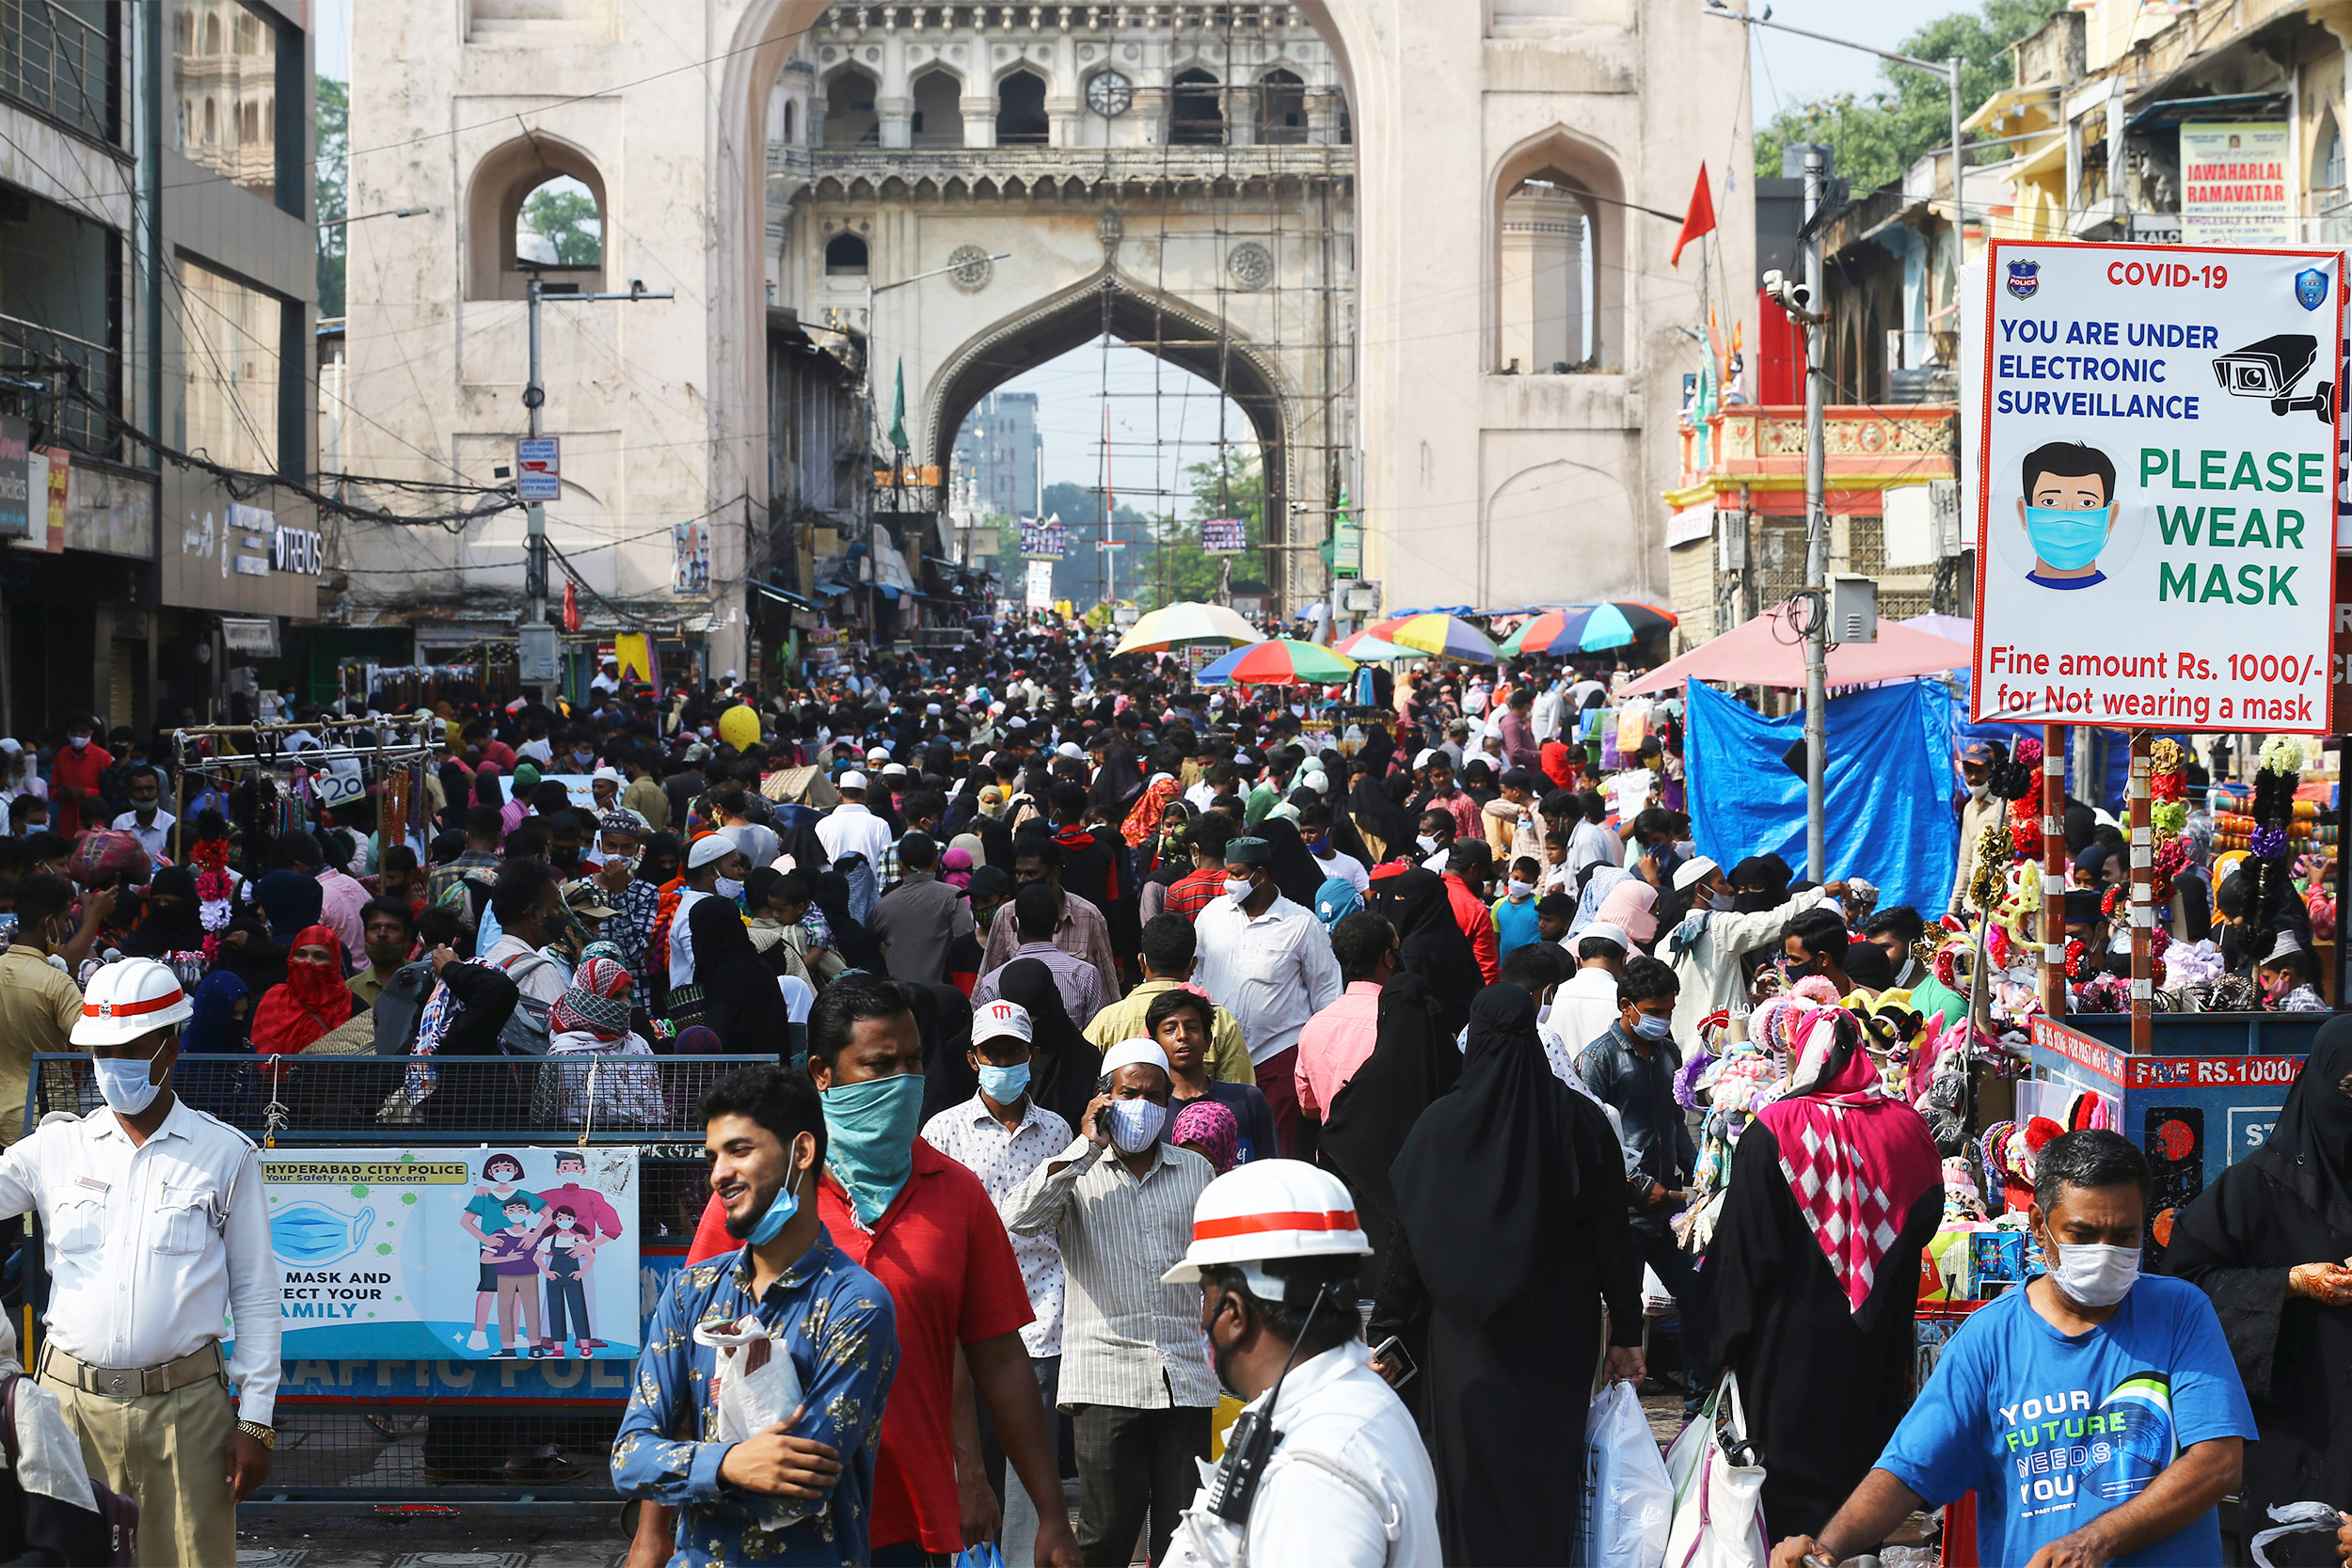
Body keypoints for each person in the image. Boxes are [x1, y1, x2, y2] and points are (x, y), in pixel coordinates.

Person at [663, 977, 1084, 1566]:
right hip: (765, 1522)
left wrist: (1051, 1516)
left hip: (909, 1525)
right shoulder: (759, 1193)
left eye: (914, 1062)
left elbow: (1000, 1359)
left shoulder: (957, 1196)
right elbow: (687, 1361)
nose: (904, 1081)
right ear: (822, 1074)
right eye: (880, 1065)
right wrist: (653, 1533)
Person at [1773, 1130, 2255, 1568]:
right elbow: (1908, 1470)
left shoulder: (2180, 1311)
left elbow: (2217, 1463)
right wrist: (1828, 1547)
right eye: (2083, 1235)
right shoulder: (1988, 1340)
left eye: (2124, 1235)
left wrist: (2096, 1542)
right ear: (2040, 1224)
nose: (2106, 1252)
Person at [0, 958, 280, 1567]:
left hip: (188, 1414)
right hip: (66, 1409)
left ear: (171, 1046)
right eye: (102, 1050)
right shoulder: (55, 1147)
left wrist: (255, 1419)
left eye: (130, 1048)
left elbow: (255, 1291)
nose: (114, 1065)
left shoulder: (225, 1154)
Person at [1377, 985, 1643, 1563]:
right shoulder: (1580, 1122)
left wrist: (1388, 1332)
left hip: (1465, 1343)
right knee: (1545, 1477)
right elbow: (1611, 1238)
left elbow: (1409, 1242)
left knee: (1468, 1479)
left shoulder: (1439, 1126)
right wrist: (1626, 1332)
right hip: (1557, 1341)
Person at [612, 1063, 899, 1567]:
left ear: (801, 1153)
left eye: (739, 1150)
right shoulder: (690, 1293)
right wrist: (729, 1463)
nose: (719, 1173)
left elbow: (795, 1488)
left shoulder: (855, 1306)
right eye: (713, 1156)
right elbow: (627, 1458)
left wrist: (687, 1471)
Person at [1705, 1004, 1945, 1543]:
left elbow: (1745, 1249)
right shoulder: (1907, 1124)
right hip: (1873, 1331)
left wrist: (1722, 1345)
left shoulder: (1773, 1128)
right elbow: (1928, 1212)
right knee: (1858, 1463)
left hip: (1787, 1339)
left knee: (1785, 1482)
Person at [1156, 1160, 1440, 1568]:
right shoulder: (1342, 1408)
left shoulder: (1312, 1474)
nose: (1202, 1318)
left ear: (1233, 1312)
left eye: (1205, 1297)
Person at [1004, 1038, 1217, 1567]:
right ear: (1104, 1098)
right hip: (1106, 1379)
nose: (1141, 1106)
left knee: (1187, 1536)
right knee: (1105, 1536)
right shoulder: (1077, 1172)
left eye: (1154, 1096)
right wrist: (1084, 1147)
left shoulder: (1196, 1172)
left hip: (1184, 1378)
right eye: (1128, 1093)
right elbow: (1017, 1222)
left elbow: (1218, 1267)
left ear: (1169, 1102)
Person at [2164, 1018, 2352, 1531]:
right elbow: (2185, 1289)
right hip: (2300, 1434)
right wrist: (2291, 1283)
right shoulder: (2254, 1190)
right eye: (2351, 1088)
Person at [917, 998, 1073, 1568]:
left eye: (1014, 1050)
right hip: (966, 1324)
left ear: (1031, 1055)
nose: (1004, 1060)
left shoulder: (1057, 1131)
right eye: (993, 1051)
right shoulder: (944, 1130)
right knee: (971, 1460)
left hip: (1042, 1314)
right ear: (973, 1057)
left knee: (1033, 1464)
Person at [1577, 955, 1714, 1414]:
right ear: (1626, 1006)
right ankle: (1616, 1413)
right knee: (1624, 1315)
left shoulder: (1669, 1053)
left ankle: (1696, 1406)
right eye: (1654, 1012)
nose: (1662, 1020)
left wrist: (1700, 1172)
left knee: (1700, 1297)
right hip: (1624, 1213)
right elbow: (1593, 1140)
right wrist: (1638, 1185)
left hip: (1671, 1212)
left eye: (1669, 1011)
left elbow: (1677, 1123)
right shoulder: (1598, 1059)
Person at [1192, 836, 1343, 1159]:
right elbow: (1196, 977)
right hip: (1218, 1059)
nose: (1227, 882)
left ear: (1260, 875)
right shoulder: (1211, 916)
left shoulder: (1302, 924)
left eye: (1236, 874)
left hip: (1277, 1058)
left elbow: (1327, 996)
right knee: (1218, 1149)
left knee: (1275, 1151)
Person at [1661, 863, 1840, 1047]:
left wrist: (1745, 997)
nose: (1731, 890)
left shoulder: (1665, 943)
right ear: (1702, 891)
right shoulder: (1719, 925)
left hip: (1686, 1056)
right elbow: (1774, 921)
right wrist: (1821, 892)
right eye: (1722, 883)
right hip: (1725, 1054)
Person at [1079, 913, 1254, 1086]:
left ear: (1142, 962)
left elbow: (1081, 1080)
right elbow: (1240, 1092)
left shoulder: (1107, 1020)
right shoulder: (1219, 1020)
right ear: (1193, 965)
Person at [0, 876, 89, 1145]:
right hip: (45, 1120)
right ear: (47, 922)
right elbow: (91, 1045)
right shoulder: (56, 983)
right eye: (64, 920)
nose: (64, 929)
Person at [1146, 988, 1280, 1166]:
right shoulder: (1150, 1111)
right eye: (1170, 1029)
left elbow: (1271, 1167)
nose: (1182, 1036)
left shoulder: (1247, 1100)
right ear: (1155, 1044)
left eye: (1192, 1028)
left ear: (1208, 1040)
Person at [1292, 911, 1393, 1128]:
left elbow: (1308, 1108)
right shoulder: (1399, 1018)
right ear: (1388, 958)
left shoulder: (1314, 1025)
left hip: (1332, 1151)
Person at [867, 832, 973, 987]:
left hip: (901, 997)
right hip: (943, 995)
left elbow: (870, 943)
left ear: (900, 865)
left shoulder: (883, 906)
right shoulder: (954, 897)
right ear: (936, 862)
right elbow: (965, 942)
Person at [818, 771, 895, 923]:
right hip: (871, 902)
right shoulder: (879, 824)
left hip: (832, 898)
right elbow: (884, 866)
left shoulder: (823, 825)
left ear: (840, 794)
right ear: (865, 795)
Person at [109, 766, 175, 863]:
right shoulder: (121, 823)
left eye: (150, 789)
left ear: (159, 792)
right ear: (129, 793)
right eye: (138, 790)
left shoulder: (172, 824)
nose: (145, 794)